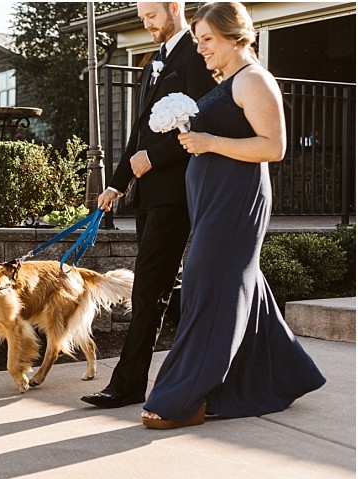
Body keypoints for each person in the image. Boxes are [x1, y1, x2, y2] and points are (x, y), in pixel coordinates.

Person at [140, 1, 326, 429]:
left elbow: (273, 147)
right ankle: (287, 372)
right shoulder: (228, 80)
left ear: (235, 35)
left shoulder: (254, 80)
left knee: (207, 287)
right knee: (237, 284)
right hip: (213, 201)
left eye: (207, 39)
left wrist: (208, 142)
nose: (201, 48)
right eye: (198, 40)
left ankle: (183, 398)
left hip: (236, 202)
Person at [81, 2, 217, 409]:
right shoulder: (151, 63)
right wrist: (116, 183)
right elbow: (138, 133)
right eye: (142, 17)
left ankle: (127, 385)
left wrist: (153, 159)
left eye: (152, 15)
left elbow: (202, 124)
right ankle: (227, 352)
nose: (146, 23)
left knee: (146, 290)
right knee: (165, 289)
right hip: (147, 195)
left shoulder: (197, 54)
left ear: (174, 7)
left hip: (176, 195)